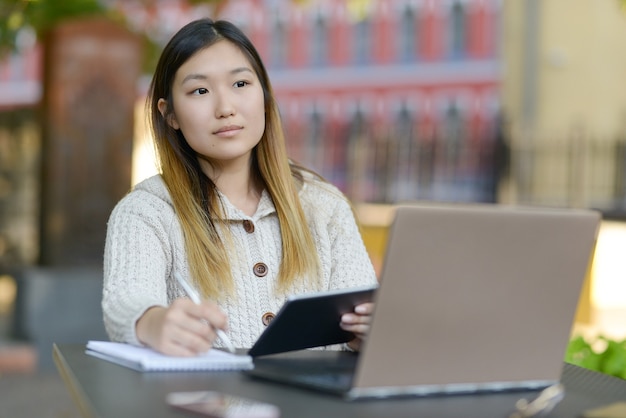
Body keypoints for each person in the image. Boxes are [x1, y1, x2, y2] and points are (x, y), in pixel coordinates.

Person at [102, 18, 378, 357]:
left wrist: (367, 334)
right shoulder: (147, 212)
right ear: (169, 114)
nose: (226, 108)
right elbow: (125, 304)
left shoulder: (324, 205)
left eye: (241, 84)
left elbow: (363, 315)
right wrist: (155, 323)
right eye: (200, 91)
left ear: (264, 96)